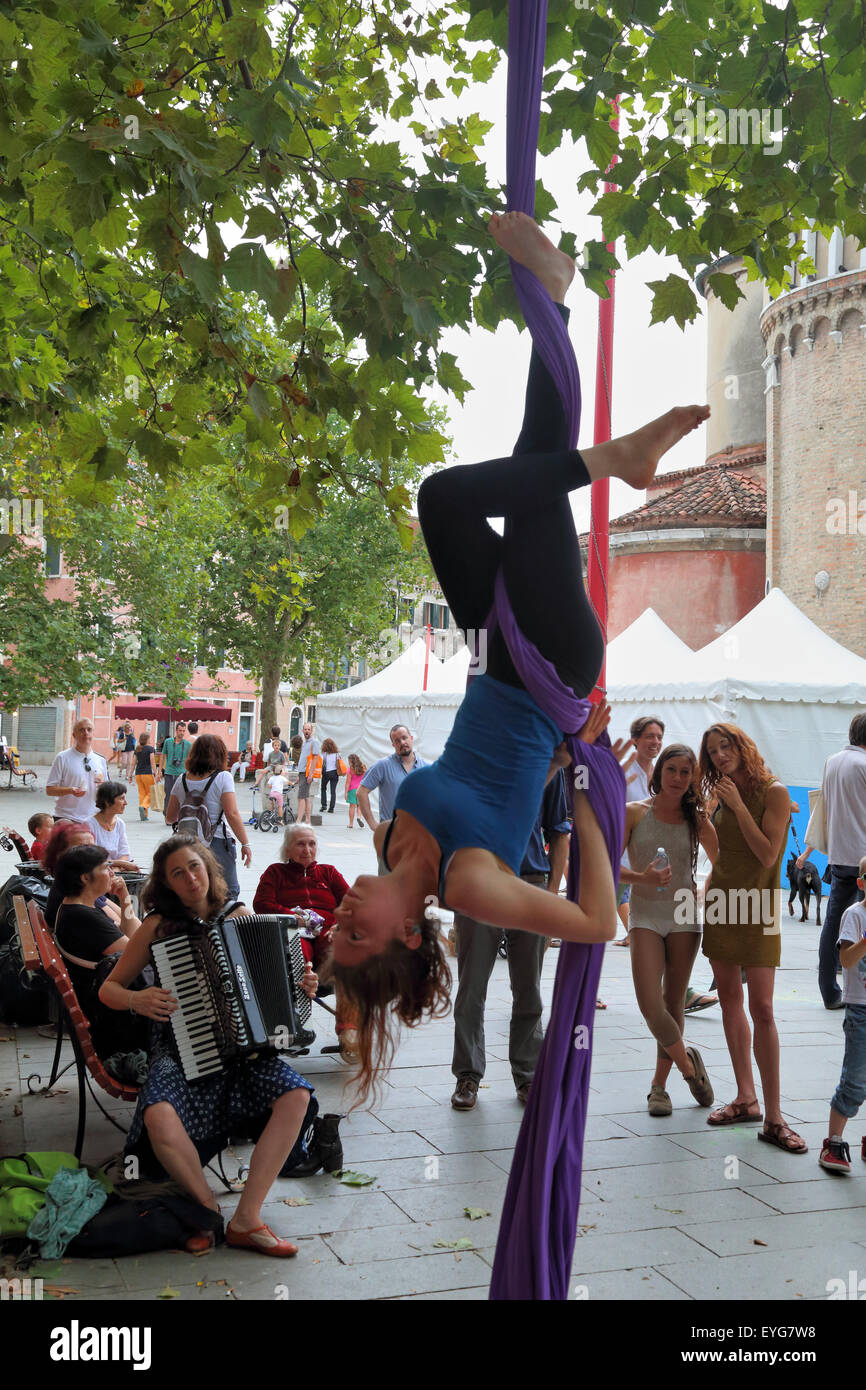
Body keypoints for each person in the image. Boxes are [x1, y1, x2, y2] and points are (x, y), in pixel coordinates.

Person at [326, 210, 709, 1098]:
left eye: (335, 931)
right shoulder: (468, 887)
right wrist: (582, 785)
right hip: (545, 665)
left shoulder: (390, 836)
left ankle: (561, 304)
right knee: (529, 489)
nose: (340, 916)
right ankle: (604, 430)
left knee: (447, 501)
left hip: (491, 649)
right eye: (356, 934)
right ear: (410, 936)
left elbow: (485, 773)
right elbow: (594, 922)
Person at [99, 835, 318, 1256]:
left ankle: (246, 1219)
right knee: (159, 1115)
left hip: (244, 1053)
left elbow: (277, 990)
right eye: (177, 873)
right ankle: (206, 1212)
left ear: (209, 868)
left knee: (294, 1095)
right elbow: (109, 989)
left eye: (194, 867)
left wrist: (302, 987)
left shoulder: (239, 915)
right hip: (181, 1049)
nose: (189, 878)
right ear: (166, 884)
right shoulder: (157, 926)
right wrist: (136, 999)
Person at [699, 723, 806, 1152]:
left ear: (743, 746)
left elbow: (767, 854)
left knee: (762, 1007)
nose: (721, 755)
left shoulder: (774, 792)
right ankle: (746, 1098)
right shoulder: (718, 792)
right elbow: (719, 853)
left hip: (759, 907)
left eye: (726, 746)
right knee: (729, 1000)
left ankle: (775, 1117)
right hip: (723, 902)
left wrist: (738, 806)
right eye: (713, 750)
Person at [451, 770, 571, 1111]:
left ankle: (530, 1073)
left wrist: (551, 895)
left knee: (529, 987)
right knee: (471, 986)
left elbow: (560, 833)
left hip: (530, 882)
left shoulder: (549, 762)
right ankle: (468, 1074)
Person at [620, 744, 718, 1116]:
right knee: (650, 1004)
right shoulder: (633, 813)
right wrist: (639, 877)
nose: (678, 778)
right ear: (659, 771)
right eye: (672, 769)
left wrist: (705, 889)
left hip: (684, 917)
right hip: (645, 914)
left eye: (685, 772)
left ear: (692, 779)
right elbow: (608, 864)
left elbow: (723, 861)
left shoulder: (696, 818)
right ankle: (689, 1065)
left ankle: (659, 1087)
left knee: (673, 1002)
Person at [253, 823, 357, 1057]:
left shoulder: (328, 872)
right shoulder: (275, 873)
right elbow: (261, 905)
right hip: (293, 932)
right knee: (296, 955)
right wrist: (293, 916)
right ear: (288, 849)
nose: (307, 849)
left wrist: (341, 924)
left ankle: (349, 1032)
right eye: (300, 844)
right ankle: (296, 1031)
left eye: (312, 844)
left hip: (327, 932)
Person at [797, 713, 866, 1010]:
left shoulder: (833, 760)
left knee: (834, 922)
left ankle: (829, 990)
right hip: (863, 855)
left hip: (839, 853)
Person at [53, 844, 146, 1062]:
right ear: (85, 878)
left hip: (106, 1002)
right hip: (112, 1017)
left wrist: (124, 896)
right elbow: (138, 949)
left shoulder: (84, 904)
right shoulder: (82, 916)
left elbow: (134, 934)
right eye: (106, 867)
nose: (113, 873)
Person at [818, 854, 866, 1173]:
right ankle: (833, 1142)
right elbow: (846, 960)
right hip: (860, 1011)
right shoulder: (854, 915)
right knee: (855, 1079)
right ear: (862, 883)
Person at [164, 734, 252, 898]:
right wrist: (245, 843)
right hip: (217, 841)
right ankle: (222, 924)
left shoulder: (181, 779)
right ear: (220, 754)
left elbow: (170, 817)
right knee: (227, 892)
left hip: (187, 844)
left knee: (194, 893)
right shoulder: (223, 777)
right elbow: (231, 814)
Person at [615, 714, 664, 947]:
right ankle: (637, 937)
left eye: (659, 737)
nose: (655, 741)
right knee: (618, 894)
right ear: (635, 739)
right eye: (649, 736)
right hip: (623, 846)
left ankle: (640, 937)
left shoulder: (661, 773)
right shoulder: (623, 770)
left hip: (653, 847)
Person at [357, 726, 427, 833]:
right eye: (397, 741)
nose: (402, 742)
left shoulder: (426, 768)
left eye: (404, 738)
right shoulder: (383, 766)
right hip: (392, 835)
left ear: (411, 738)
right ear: (393, 744)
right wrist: (373, 824)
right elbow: (361, 792)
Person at [45, 718, 108, 823]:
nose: (86, 733)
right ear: (74, 735)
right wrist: (70, 790)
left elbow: (107, 789)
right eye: (82, 730)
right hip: (66, 818)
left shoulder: (100, 760)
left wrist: (103, 788)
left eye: (89, 730)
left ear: (93, 734)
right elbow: (50, 790)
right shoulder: (62, 757)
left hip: (94, 818)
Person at [88, 781, 139, 872]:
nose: (125, 803)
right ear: (108, 802)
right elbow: (92, 860)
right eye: (121, 799)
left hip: (116, 869)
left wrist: (117, 867)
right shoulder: (89, 825)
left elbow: (125, 853)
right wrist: (119, 865)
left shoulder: (120, 824)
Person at [159, 721, 192, 809]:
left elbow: (191, 760)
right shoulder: (168, 741)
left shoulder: (188, 744)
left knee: (180, 796)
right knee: (168, 795)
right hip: (169, 772)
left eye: (183, 731)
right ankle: (167, 815)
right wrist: (159, 772)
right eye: (180, 730)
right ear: (176, 731)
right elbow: (162, 756)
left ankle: (178, 815)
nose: (182, 733)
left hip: (182, 774)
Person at [296, 723, 321, 824]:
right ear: (302, 731)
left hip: (307, 773)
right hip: (302, 773)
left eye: (309, 729)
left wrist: (310, 774)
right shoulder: (305, 743)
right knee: (306, 797)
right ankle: (308, 820)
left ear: (311, 731)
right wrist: (299, 775)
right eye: (305, 729)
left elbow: (315, 758)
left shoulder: (314, 742)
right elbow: (303, 759)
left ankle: (299, 820)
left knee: (301, 797)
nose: (307, 731)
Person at [133, 733, 158, 822]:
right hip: (147, 773)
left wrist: (129, 775)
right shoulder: (150, 749)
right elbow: (152, 761)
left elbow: (133, 762)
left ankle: (144, 815)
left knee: (142, 794)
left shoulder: (137, 749)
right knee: (151, 792)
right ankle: (143, 806)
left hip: (138, 774)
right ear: (147, 739)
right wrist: (156, 773)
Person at [319, 739, 342, 814]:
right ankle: (331, 808)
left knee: (323, 788)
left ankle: (324, 805)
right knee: (333, 791)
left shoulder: (323, 754)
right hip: (335, 773)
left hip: (326, 773)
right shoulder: (337, 754)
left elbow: (321, 763)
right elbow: (340, 763)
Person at [345, 754, 366, 829]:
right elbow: (365, 779)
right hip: (361, 789)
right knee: (359, 805)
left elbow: (348, 782)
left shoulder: (350, 769)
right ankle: (359, 817)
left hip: (352, 789)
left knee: (352, 806)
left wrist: (346, 793)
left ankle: (351, 824)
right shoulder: (363, 767)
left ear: (351, 761)